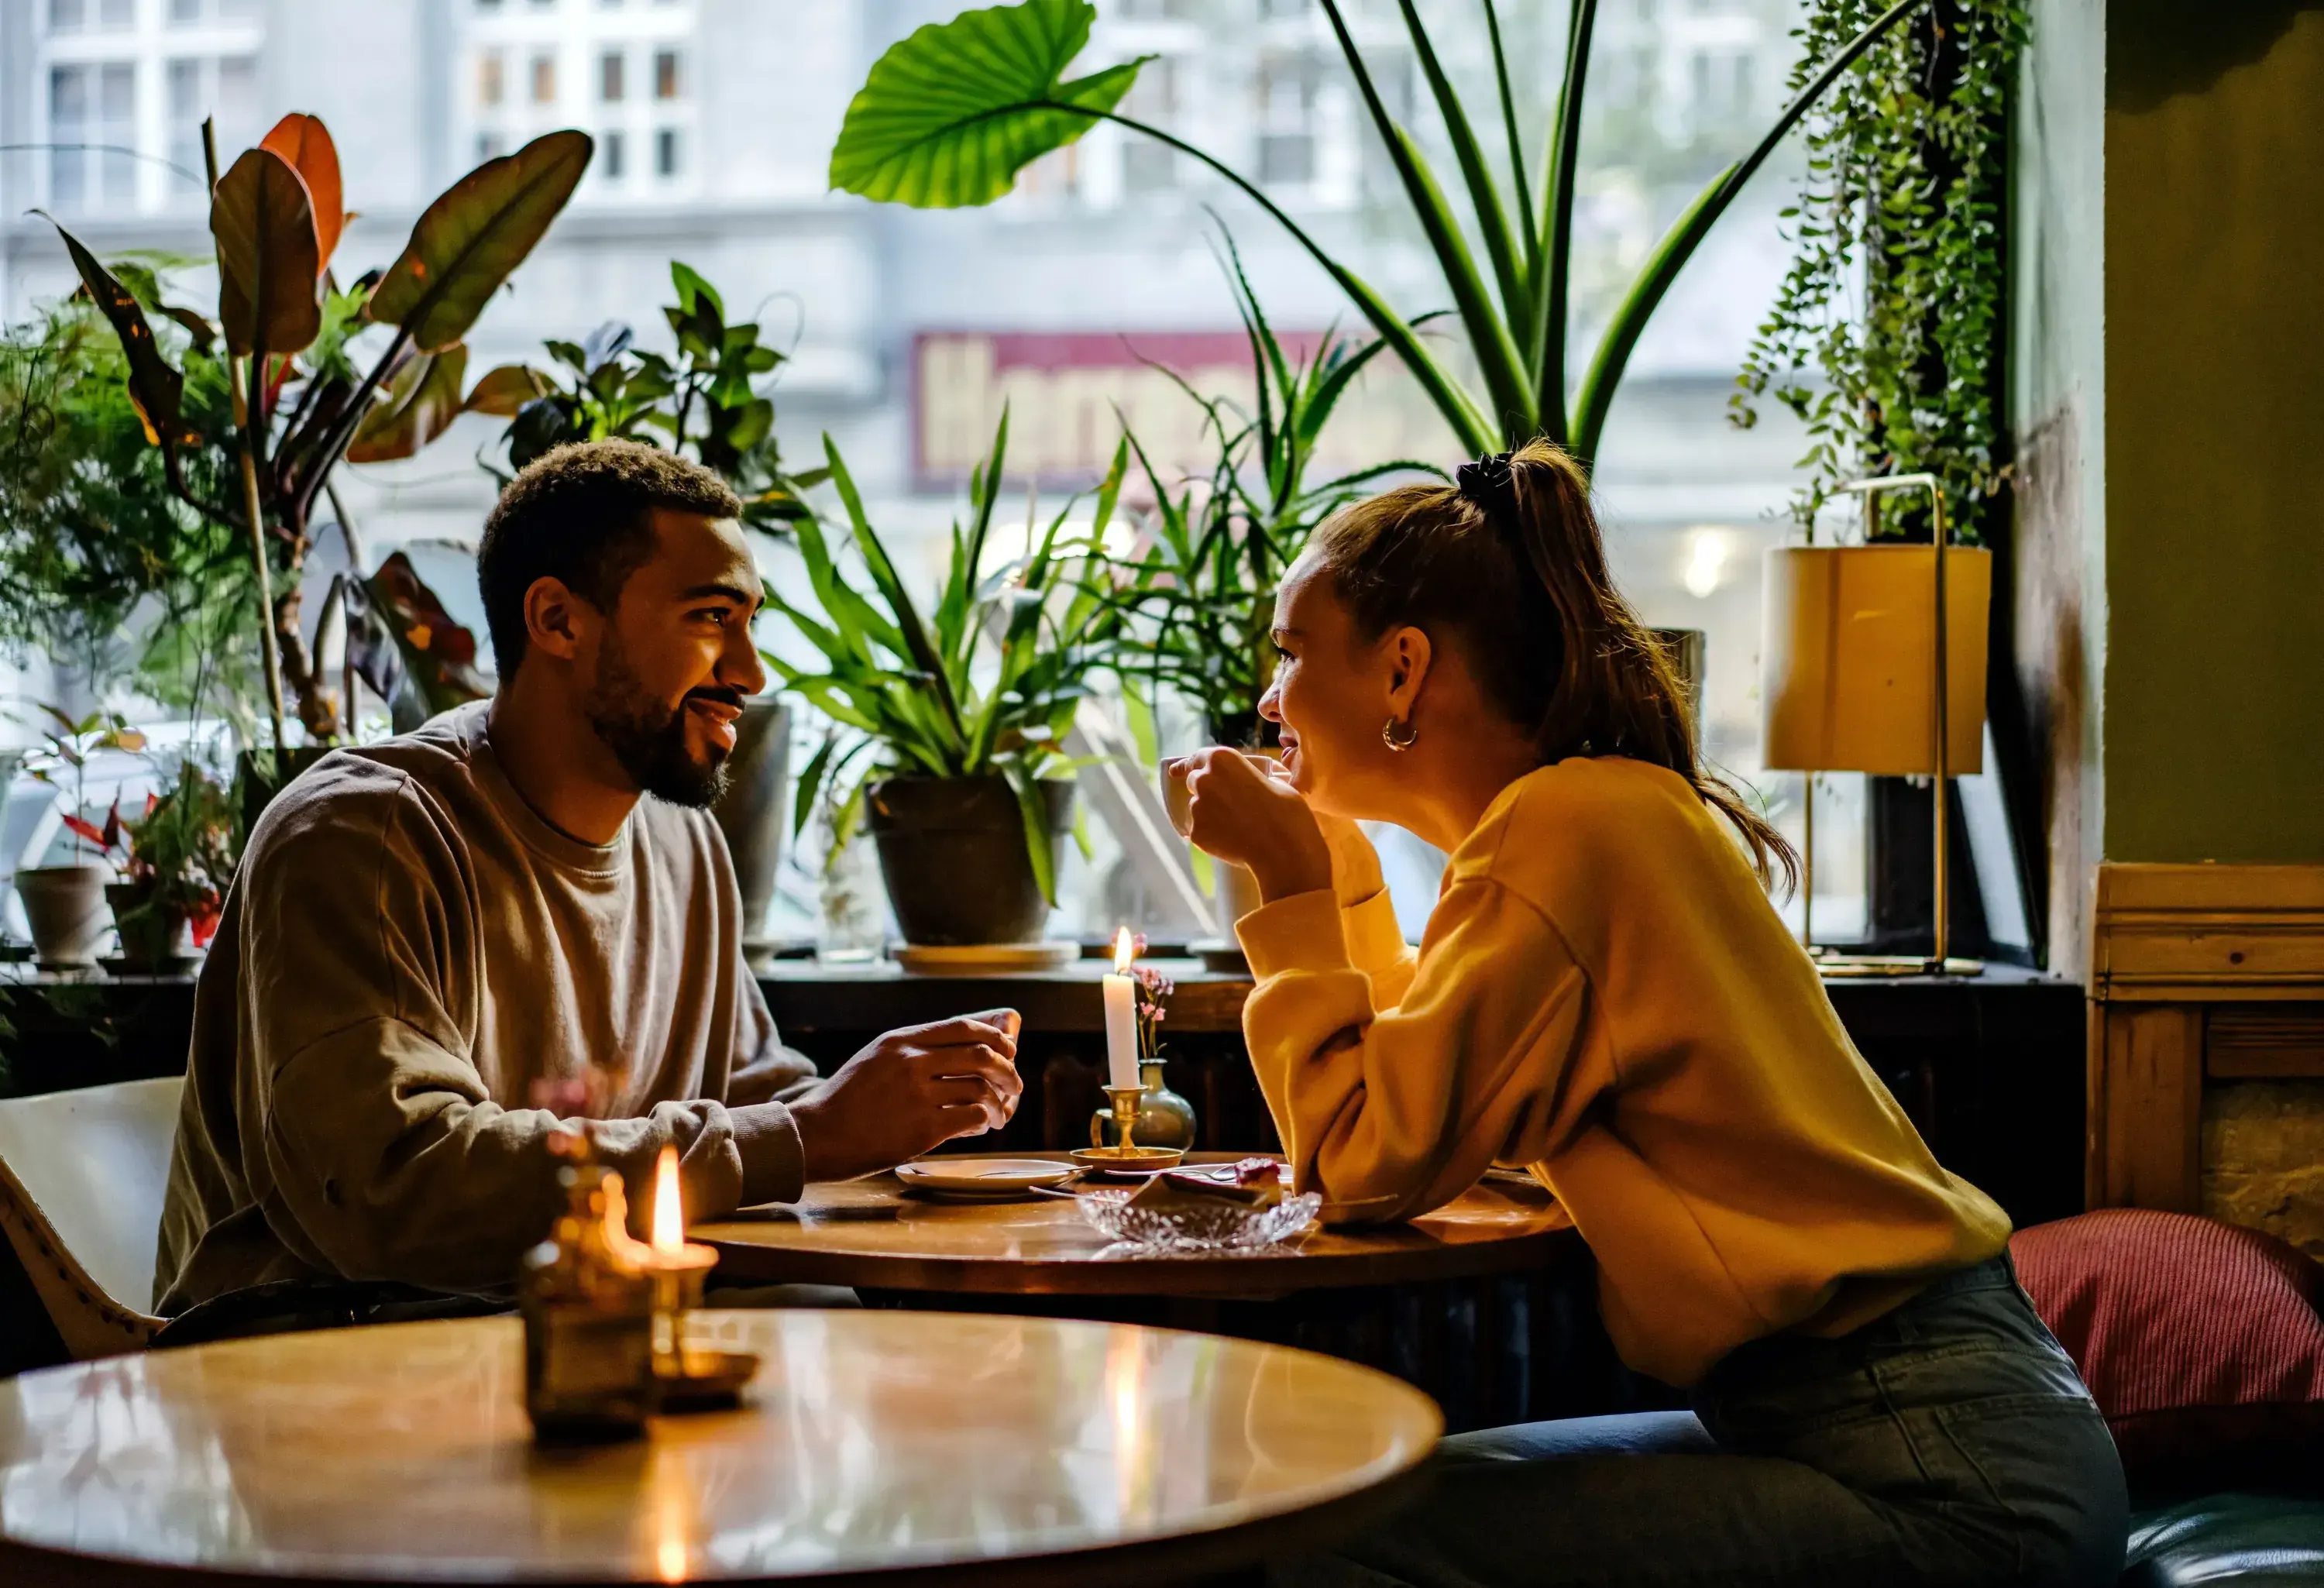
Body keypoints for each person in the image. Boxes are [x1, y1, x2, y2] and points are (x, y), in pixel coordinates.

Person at [1167, 442, 2127, 1588]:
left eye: (1291, 652)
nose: (1269, 697)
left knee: (1311, 1538)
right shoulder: (1588, 818)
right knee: (1350, 1501)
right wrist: (1341, 876)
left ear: (1403, 670)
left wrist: (1289, 886)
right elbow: (1422, 1077)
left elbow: (1366, 1164)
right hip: (1906, 1430)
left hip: (1943, 1473)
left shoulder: (1569, 828)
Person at [156, 442, 1021, 1317]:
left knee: (858, 1326)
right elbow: (395, 1188)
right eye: (711, 618)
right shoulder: (362, 835)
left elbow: (759, 1106)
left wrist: (907, 1125)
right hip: (314, 1360)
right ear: (559, 621)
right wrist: (808, 1133)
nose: (751, 673)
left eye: (750, 621)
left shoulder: (685, 847)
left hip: (574, 1324)